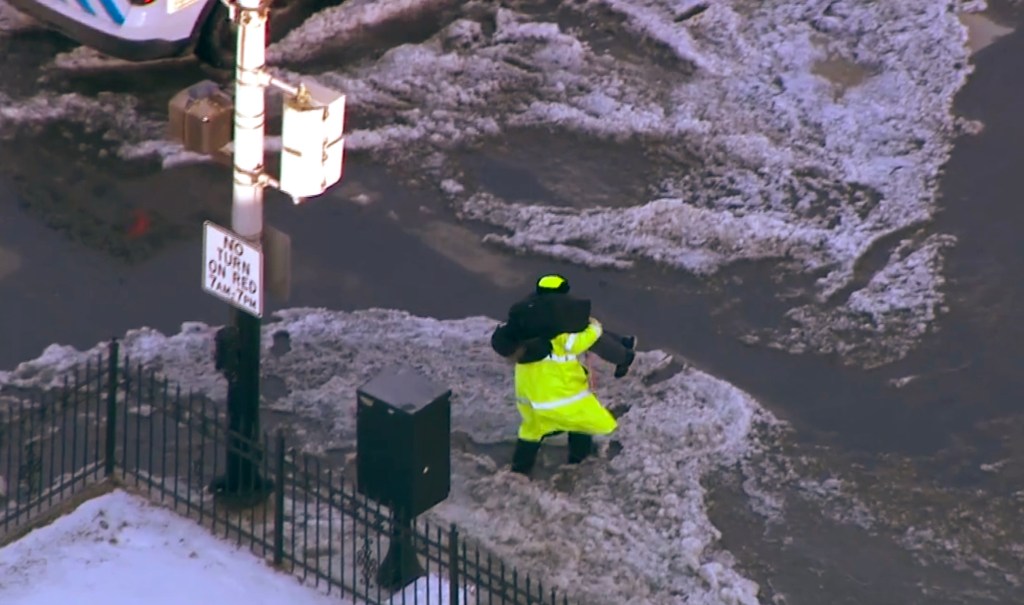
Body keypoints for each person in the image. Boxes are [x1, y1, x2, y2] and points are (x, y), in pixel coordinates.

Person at [490, 274, 637, 476]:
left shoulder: (524, 327)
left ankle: (519, 471)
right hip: (561, 397)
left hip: (531, 399)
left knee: (532, 431)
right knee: (586, 423)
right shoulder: (562, 334)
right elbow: (587, 339)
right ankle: (579, 463)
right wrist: (594, 325)